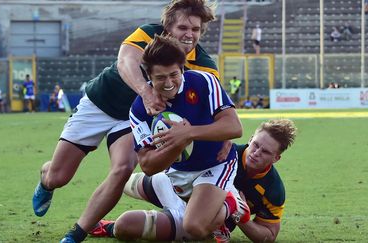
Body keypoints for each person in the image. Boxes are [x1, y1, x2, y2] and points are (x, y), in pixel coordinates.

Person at [31, 1, 220, 242]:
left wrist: (219, 140)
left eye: (195, 29)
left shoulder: (205, 66)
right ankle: (45, 181)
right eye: (183, 27)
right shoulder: (148, 33)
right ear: (167, 26)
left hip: (133, 117)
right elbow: (125, 62)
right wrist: (145, 90)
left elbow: (212, 108)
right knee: (58, 177)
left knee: (122, 169)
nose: (189, 34)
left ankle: (76, 234)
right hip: (101, 102)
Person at [111, 35, 244, 241]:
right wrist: (177, 143)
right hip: (177, 173)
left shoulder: (204, 82)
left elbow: (234, 127)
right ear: (149, 76)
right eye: (160, 77)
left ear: (182, 68)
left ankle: (231, 201)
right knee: (126, 215)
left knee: (194, 228)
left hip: (216, 164)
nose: (168, 83)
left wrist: (188, 132)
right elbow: (147, 165)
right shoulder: (139, 109)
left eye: (174, 74)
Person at [91, 119, 297, 243]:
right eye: (256, 145)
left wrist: (242, 220)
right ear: (251, 138)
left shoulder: (273, 189)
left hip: (193, 220)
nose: (256, 153)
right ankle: (227, 202)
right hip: (180, 189)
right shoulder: (225, 152)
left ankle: (108, 227)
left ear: (276, 158)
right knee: (126, 183)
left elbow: (268, 236)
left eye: (266, 151)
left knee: (125, 226)